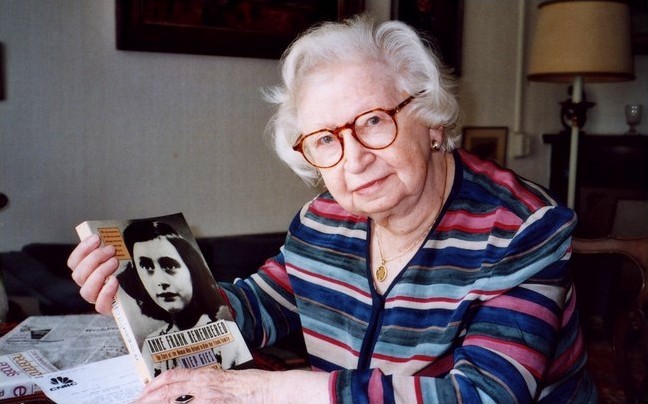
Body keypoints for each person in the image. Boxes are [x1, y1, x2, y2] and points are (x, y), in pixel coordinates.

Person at [68, 16, 596, 403]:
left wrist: (265, 392)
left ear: (432, 120)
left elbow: (484, 395)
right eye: (325, 139)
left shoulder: (521, 227)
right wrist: (135, 302)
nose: (355, 159)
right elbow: (255, 310)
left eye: (373, 121)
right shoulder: (323, 220)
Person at [118, 220, 245, 373]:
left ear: (192, 269)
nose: (160, 281)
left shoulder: (232, 335)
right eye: (147, 266)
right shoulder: (151, 345)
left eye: (170, 266)